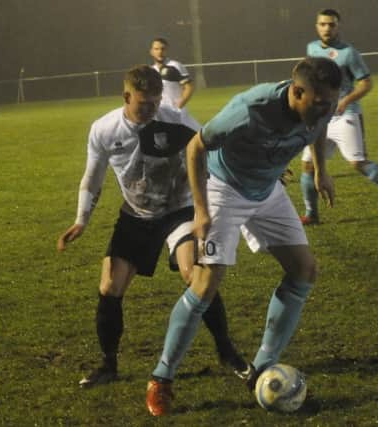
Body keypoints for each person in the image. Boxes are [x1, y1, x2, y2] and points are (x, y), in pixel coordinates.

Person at [145, 57, 342, 416]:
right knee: (206, 284)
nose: (328, 109)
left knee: (304, 270)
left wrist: (320, 171)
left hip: (267, 190)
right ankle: (162, 377)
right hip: (225, 189)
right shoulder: (251, 109)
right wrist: (202, 211)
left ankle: (265, 365)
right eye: (320, 103)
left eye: (332, 102)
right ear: (296, 91)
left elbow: (320, 128)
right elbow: (195, 148)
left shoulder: (320, 107)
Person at [56, 65, 246, 389]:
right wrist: (81, 220)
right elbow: (93, 177)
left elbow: (212, 145)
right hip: (137, 214)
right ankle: (109, 364)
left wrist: (244, 170)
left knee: (196, 275)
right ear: (126, 97)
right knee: (110, 287)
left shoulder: (175, 118)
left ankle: (226, 350)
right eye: (143, 104)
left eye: (155, 103)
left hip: (179, 209)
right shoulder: (103, 129)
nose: (150, 110)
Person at [300, 8, 378, 225]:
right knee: (309, 166)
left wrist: (345, 101)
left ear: (338, 26)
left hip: (345, 115)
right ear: (317, 26)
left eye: (332, 24)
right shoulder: (312, 48)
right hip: (320, 116)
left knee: (358, 163)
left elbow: (366, 83)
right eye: (323, 24)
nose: (327, 28)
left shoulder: (349, 53)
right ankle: (311, 214)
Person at [149, 37, 194, 112]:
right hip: (159, 113)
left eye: (163, 49)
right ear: (151, 51)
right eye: (156, 49)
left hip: (175, 113)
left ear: (167, 51)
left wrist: (178, 107)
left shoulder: (176, 66)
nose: (160, 52)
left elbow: (188, 88)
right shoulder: (150, 70)